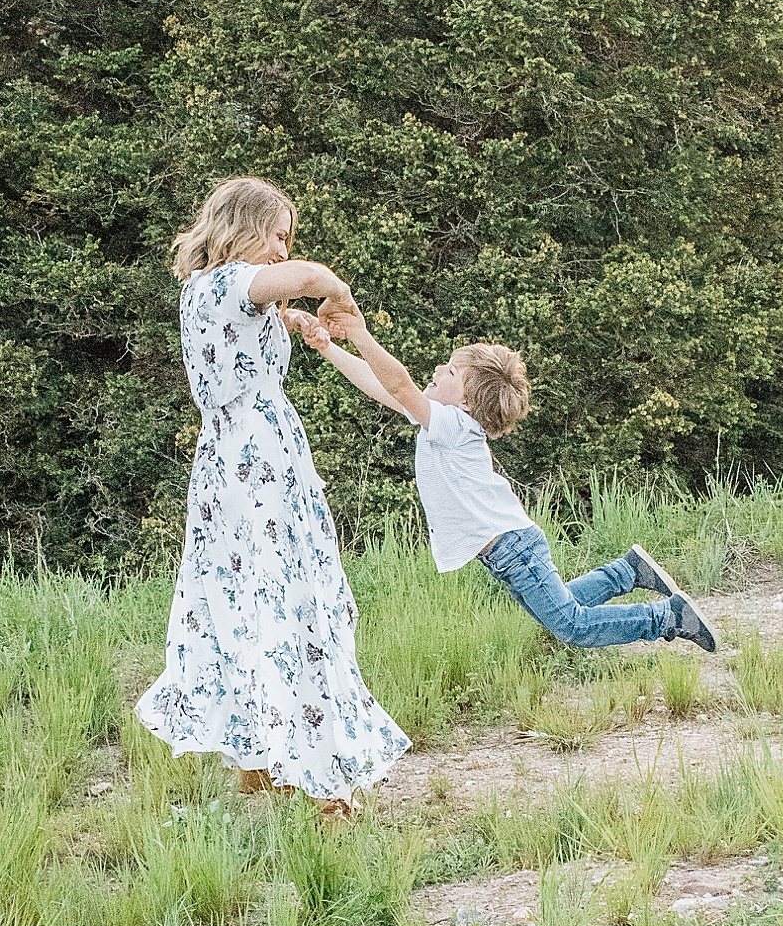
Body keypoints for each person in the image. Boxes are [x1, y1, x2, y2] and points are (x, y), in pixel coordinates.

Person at [135, 177, 410, 806]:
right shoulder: (235, 281)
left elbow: (253, 320)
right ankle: (322, 784)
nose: (285, 249)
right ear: (245, 230)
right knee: (290, 600)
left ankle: (259, 763)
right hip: (260, 462)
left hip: (226, 463)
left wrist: (289, 324)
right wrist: (337, 294)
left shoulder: (200, 293)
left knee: (241, 600)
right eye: (279, 235)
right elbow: (307, 278)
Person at [292, 299, 718, 653]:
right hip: (508, 549)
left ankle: (666, 617)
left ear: (466, 403)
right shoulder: (443, 420)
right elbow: (381, 388)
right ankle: (627, 572)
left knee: (572, 626)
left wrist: (361, 332)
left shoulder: (454, 425)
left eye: (452, 373)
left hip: (513, 548)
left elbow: (399, 384)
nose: (439, 369)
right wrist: (329, 347)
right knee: (563, 611)